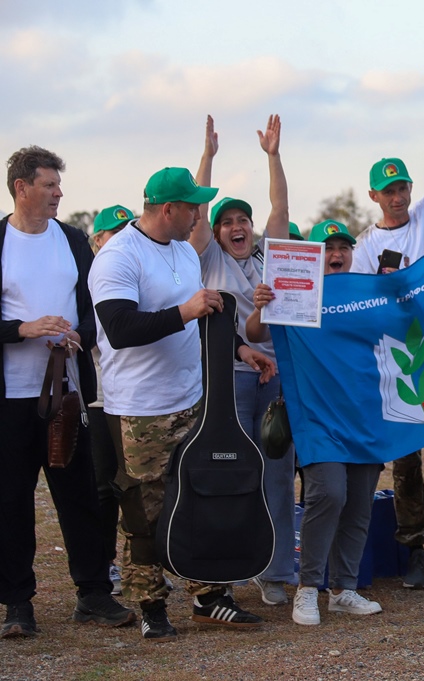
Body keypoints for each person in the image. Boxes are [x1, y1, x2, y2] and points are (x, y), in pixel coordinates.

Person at [89, 167, 274, 641]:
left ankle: (209, 598)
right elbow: (120, 328)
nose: (198, 215)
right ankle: (152, 606)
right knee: (145, 509)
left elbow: (202, 319)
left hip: (192, 398)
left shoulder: (183, 252)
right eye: (192, 207)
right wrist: (183, 311)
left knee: (200, 496)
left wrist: (240, 349)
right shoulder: (118, 256)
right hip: (141, 407)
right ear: (168, 209)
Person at [0, 147, 134, 639]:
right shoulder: (0, 242)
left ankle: (94, 594)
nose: (59, 193)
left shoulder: (74, 240)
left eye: (58, 184)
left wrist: (79, 334)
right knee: (11, 501)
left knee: (81, 496)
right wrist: (23, 329)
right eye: (50, 184)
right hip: (10, 398)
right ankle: (17, 603)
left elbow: (97, 310)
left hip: (69, 393)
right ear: (21, 188)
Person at [351, 65, 424, 590]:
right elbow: (357, 306)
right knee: (407, 461)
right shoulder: (363, 247)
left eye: (404, 187)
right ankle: (414, 546)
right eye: (389, 190)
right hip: (398, 359)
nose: (399, 196)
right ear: (374, 195)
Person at [248, 220, 384, 625]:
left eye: (343, 247)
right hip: (317, 416)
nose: (337, 255)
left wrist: (393, 290)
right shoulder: (297, 294)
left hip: (363, 414)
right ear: (314, 257)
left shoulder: (366, 294)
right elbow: (255, 332)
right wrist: (262, 304)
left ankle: (344, 589)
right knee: (329, 494)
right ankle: (307, 588)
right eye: (328, 249)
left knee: (359, 503)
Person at [190, 114, 295, 607]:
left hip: (273, 378)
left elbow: (281, 207)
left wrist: (273, 156)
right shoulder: (208, 258)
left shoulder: (267, 256)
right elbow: (196, 213)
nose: (237, 227)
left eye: (243, 221)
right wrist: (208, 156)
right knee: (231, 471)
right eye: (227, 222)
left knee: (277, 472)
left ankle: (274, 572)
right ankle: (228, 567)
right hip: (228, 379)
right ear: (217, 232)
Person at [88, 205, 134, 597]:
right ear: (97, 241)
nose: (121, 240)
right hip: (99, 397)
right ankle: (105, 563)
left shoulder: (134, 274)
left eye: (126, 232)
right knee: (104, 486)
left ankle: (142, 563)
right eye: (113, 234)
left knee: (135, 485)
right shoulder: (89, 279)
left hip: (134, 396)